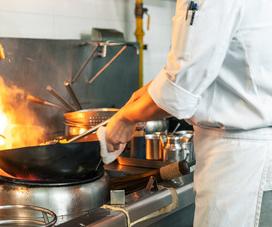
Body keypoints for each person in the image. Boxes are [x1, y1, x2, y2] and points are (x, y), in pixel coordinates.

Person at [105, 0, 272, 226]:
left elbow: (179, 93)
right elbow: (203, 67)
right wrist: (142, 96)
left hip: (239, 164)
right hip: (251, 153)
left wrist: (126, 118)